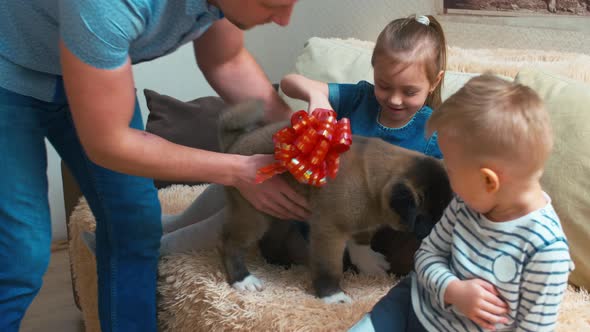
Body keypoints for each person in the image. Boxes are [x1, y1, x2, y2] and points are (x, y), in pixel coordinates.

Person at [0, 1, 308, 331]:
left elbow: (227, 62)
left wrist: (296, 131)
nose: (284, 20)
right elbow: (109, 142)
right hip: (9, 73)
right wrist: (241, 170)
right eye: (272, 4)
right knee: (20, 253)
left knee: (134, 226)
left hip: (89, 69)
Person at [157, 14, 448, 259]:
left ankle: (160, 248)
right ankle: (170, 225)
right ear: (374, 71)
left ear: (434, 81)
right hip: (304, 197)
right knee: (254, 176)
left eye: (409, 92)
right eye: (384, 86)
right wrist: (316, 95)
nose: (394, 100)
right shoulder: (360, 98)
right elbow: (288, 82)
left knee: (241, 210)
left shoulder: (434, 135)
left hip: (322, 235)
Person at [349, 74, 574, 332]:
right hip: (414, 304)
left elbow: (534, 329)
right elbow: (426, 256)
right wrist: (453, 290)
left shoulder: (547, 251)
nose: (447, 176)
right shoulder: (465, 203)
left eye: (452, 170)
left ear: (489, 181)